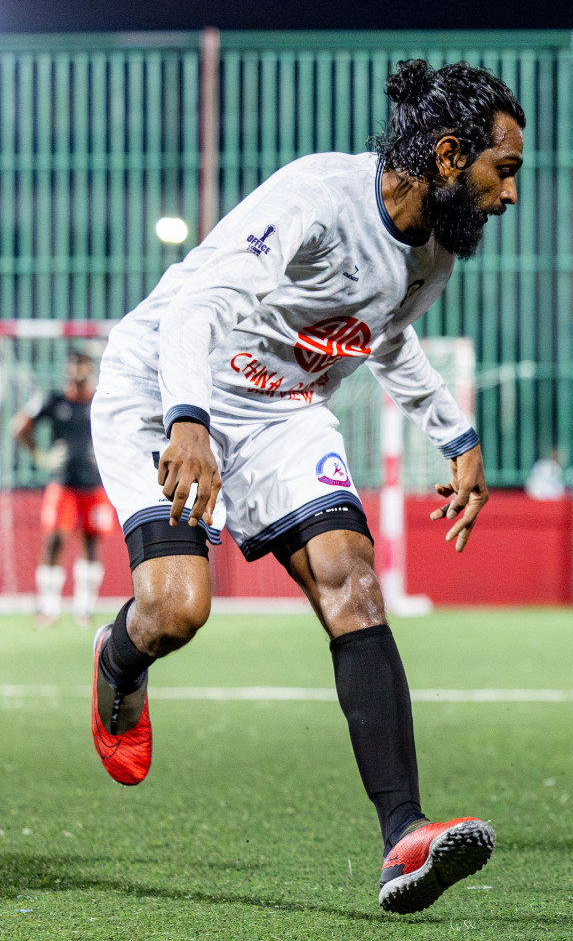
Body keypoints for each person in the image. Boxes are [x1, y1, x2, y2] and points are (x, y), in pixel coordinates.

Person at [88, 59, 521, 914]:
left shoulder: (435, 253)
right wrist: (187, 420)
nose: (509, 195)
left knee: (353, 581)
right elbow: (196, 309)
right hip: (166, 383)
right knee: (176, 609)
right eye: (502, 170)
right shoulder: (318, 198)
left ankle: (404, 835)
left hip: (281, 413)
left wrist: (456, 434)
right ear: (447, 156)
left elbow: (384, 338)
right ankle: (117, 658)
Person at [9, 351, 112, 627]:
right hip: (62, 484)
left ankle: (84, 608)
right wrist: (39, 456)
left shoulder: (100, 401)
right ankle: (48, 607)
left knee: (91, 542)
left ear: (90, 369)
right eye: (74, 365)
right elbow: (19, 427)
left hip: (93, 485)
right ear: (67, 369)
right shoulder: (55, 401)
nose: (78, 370)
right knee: (54, 541)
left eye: (83, 365)